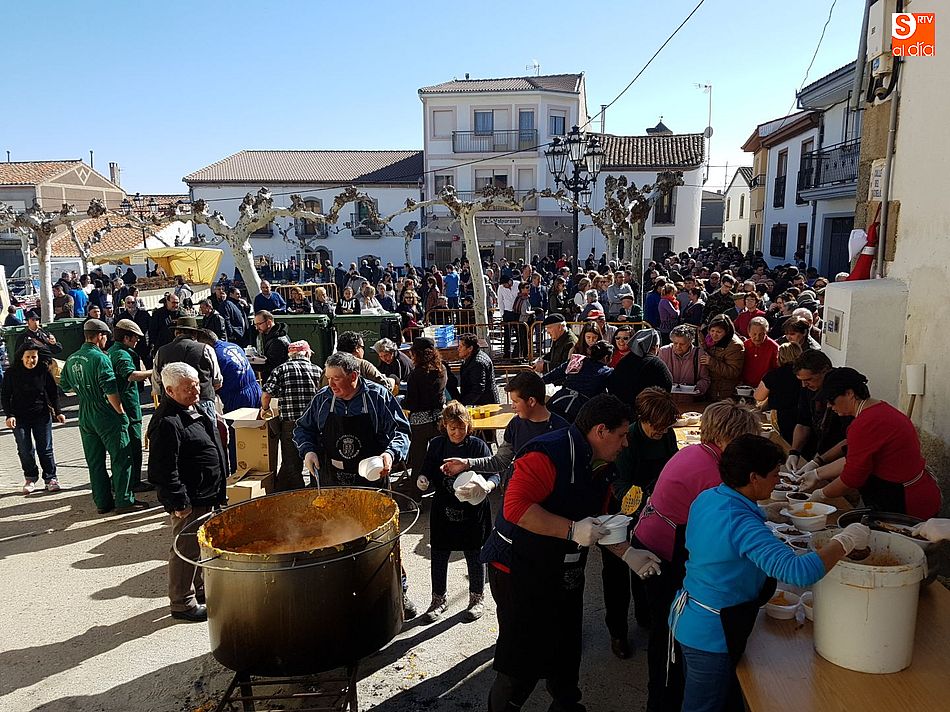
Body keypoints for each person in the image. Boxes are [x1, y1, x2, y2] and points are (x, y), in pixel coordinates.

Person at [487, 394, 661, 712]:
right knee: (521, 661)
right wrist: (570, 529)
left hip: (564, 569)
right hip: (518, 568)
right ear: (600, 431)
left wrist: (627, 554)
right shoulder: (547, 453)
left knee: (566, 647)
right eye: (622, 435)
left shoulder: (604, 464)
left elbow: (599, 521)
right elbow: (515, 508)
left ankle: (566, 703)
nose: (626, 443)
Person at [672, 435, 870, 712]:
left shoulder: (710, 497)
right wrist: (846, 540)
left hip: (690, 616)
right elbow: (798, 572)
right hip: (712, 634)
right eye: (775, 474)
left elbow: (725, 529)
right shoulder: (741, 523)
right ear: (754, 477)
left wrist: (763, 512)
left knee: (721, 699)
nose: (778, 481)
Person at [633, 400, 761, 712]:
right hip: (662, 553)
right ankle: (663, 701)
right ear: (729, 439)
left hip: (651, 541)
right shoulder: (714, 472)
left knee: (665, 629)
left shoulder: (696, 452)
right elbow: (730, 526)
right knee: (667, 636)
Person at [293, 351, 416, 617]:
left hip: (371, 479)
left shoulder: (378, 397)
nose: (331, 384)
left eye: (336, 379)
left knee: (382, 540)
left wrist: (390, 454)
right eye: (328, 378)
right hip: (333, 482)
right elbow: (303, 429)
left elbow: (401, 431)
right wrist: (308, 450)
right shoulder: (322, 399)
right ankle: (343, 598)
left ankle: (399, 591)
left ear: (354, 376)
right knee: (335, 539)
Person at [800, 368, 941, 520]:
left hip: (907, 502)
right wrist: (817, 473)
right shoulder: (878, 409)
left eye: (831, 400)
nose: (829, 405)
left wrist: (821, 494)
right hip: (914, 493)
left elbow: (852, 478)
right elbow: (854, 460)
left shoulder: (866, 423)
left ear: (849, 393)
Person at [147, 362, 228, 623]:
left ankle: (200, 590)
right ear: (170, 391)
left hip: (206, 493)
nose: (195, 391)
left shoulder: (192, 407)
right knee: (185, 550)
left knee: (200, 547)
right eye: (187, 388)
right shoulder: (166, 422)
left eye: (196, 385)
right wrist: (178, 501)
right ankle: (182, 603)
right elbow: (162, 469)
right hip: (190, 499)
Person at [602, 387, 679, 658]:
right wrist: (643, 498)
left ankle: (645, 616)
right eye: (657, 428)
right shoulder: (628, 441)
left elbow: (673, 467)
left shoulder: (666, 436)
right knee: (617, 578)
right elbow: (618, 483)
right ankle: (618, 633)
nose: (661, 432)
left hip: (653, 513)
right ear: (643, 419)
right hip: (619, 514)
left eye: (665, 428)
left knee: (647, 568)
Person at [416, 403, 494, 622]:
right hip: (444, 508)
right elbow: (427, 468)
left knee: (475, 554)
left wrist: (487, 486)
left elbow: (495, 473)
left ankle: (477, 598)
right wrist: (423, 479)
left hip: (473, 510)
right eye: (452, 428)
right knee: (439, 554)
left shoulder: (478, 446)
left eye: (461, 428)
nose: (457, 433)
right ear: (444, 425)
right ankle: (438, 599)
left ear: (468, 425)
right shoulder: (437, 445)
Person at [60, 320, 143, 514]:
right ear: (100, 336)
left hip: (84, 412)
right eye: (105, 336)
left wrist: (84, 389)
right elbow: (110, 390)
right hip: (105, 413)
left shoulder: (71, 358)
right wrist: (121, 413)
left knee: (95, 461)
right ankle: (124, 500)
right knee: (122, 457)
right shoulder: (100, 358)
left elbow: (65, 386)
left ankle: (103, 502)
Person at [2, 341, 66, 494]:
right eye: (28, 357)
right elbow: (5, 396)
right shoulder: (12, 373)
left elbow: (52, 392)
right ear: (21, 357)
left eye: (34, 357)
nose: (31, 360)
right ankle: (30, 477)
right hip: (19, 417)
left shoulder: (43, 370)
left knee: (45, 448)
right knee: (25, 449)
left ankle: (50, 478)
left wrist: (58, 412)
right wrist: (9, 415)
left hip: (41, 415)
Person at [262, 340, 323, 490]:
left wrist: (265, 409)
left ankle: (297, 491)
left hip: (290, 424)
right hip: (314, 423)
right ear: (307, 354)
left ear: (290, 355)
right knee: (315, 459)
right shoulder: (318, 370)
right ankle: (316, 488)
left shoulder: (281, 369)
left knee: (291, 463)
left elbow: (266, 394)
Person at [108, 320, 155, 493]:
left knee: (123, 447)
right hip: (127, 406)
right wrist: (153, 372)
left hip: (122, 405)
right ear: (126, 338)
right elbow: (131, 375)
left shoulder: (113, 351)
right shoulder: (122, 354)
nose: (137, 341)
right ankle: (133, 482)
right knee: (133, 446)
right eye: (135, 338)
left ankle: (119, 480)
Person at [152, 315, 223, 422]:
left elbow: (157, 383)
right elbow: (217, 381)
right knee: (207, 431)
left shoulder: (161, 351)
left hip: (173, 405)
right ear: (195, 334)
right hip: (202, 400)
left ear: (176, 333)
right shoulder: (205, 349)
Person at [786, 350, 848, 469]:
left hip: (841, 458)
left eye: (809, 379)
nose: (804, 385)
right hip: (819, 451)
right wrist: (794, 452)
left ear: (825, 370)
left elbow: (848, 439)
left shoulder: (842, 389)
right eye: (802, 381)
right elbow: (803, 422)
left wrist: (819, 461)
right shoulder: (808, 388)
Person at [403, 337, 449, 479]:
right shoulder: (442, 369)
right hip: (439, 419)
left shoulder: (416, 374)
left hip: (420, 422)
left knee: (419, 459)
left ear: (417, 354)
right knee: (440, 456)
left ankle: (418, 488)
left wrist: (401, 402)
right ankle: (442, 484)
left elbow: (412, 402)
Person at [544, 340, 614, 423]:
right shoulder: (608, 372)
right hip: (580, 410)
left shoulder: (578, 361)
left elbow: (554, 374)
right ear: (606, 357)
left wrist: (537, 382)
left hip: (558, 400)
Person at [608, 328, 673, 405]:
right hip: (647, 408)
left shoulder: (624, 360)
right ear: (654, 346)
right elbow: (667, 386)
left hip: (621, 407)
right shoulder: (655, 363)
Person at [754, 341, 803, 444]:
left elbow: (758, 396)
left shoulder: (774, 375)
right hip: (801, 415)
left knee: (783, 443)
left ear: (780, 357)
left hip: (780, 416)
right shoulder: (804, 375)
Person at [659, 325, 710, 410]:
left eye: (682, 344)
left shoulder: (699, 354)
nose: (678, 347)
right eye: (675, 343)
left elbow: (705, 379)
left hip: (690, 402)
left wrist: (698, 388)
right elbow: (657, 376)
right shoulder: (664, 352)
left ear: (690, 342)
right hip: (667, 401)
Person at [321, 331, 394, 390]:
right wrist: (392, 380)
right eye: (362, 347)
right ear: (357, 348)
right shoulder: (363, 365)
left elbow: (321, 392)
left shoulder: (328, 368)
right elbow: (385, 386)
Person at [701, 314, 745, 401]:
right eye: (712, 331)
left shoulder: (735, 346)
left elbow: (733, 372)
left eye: (719, 332)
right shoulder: (707, 339)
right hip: (708, 387)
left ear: (726, 332)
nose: (714, 334)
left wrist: (712, 362)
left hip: (723, 390)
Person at [457, 333, 499, 406]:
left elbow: (478, 389)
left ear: (470, 348)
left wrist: (463, 404)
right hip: (480, 402)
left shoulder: (477, 363)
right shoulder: (471, 358)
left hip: (484, 404)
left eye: (461, 346)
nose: (458, 349)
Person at [252, 310, 290, 382]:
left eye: (259, 324)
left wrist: (251, 364)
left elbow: (271, 366)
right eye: (255, 325)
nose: (257, 328)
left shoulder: (278, 341)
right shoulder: (272, 336)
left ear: (269, 322)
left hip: (277, 381)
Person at [740, 316, 778, 388]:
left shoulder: (774, 347)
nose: (757, 338)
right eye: (754, 334)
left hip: (765, 387)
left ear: (766, 332)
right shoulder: (744, 345)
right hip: (745, 386)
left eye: (761, 334)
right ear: (749, 332)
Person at [118, 295, 152, 367]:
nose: (131, 304)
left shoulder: (144, 314)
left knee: (149, 366)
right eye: (128, 303)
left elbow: (151, 328)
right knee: (135, 366)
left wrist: (151, 343)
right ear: (125, 304)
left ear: (136, 303)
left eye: (133, 302)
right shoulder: (122, 316)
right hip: (130, 345)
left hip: (144, 344)